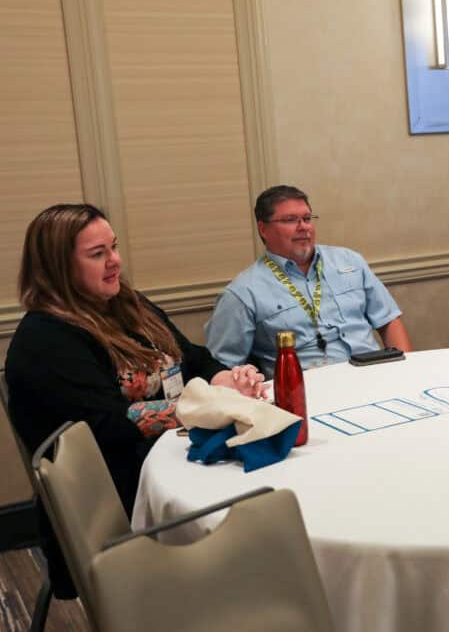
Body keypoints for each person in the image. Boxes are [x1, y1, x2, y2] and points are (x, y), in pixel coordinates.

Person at [5, 204, 265, 597]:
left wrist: (226, 378)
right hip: (121, 504)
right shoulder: (47, 338)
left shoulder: (126, 303)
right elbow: (110, 424)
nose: (114, 262)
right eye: (97, 254)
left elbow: (191, 356)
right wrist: (208, 406)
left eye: (114, 247)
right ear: (58, 267)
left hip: (171, 460)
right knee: (262, 519)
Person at [206, 185, 411, 375]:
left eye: (307, 218)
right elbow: (223, 369)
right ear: (263, 229)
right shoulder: (243, 293)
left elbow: (389, 320)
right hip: (308, 392)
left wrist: (407, 371)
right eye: (290, 220)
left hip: (374, 374)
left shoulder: (349, 261)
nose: (303, 227)